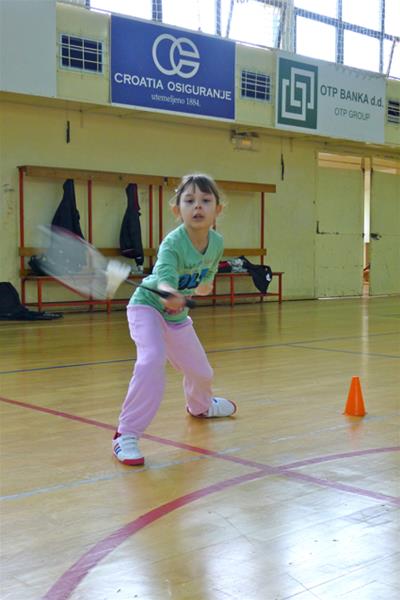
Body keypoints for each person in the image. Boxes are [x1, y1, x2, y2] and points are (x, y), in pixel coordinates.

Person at [113, 173, 237, 465]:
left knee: (202, 373)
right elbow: (165, 279)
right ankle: (125, 434)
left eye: (205, 200)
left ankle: (201, 406)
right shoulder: (172, 244)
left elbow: (207, 275)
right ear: (177, 210)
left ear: (218, 210)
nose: (198, 206)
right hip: (147, 308)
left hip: (177, 316)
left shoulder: (216, 242)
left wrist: (204, 287)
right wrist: (170, 293)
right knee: (151, 361)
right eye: (189, 200)